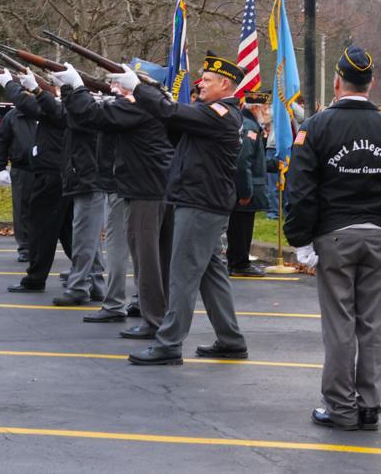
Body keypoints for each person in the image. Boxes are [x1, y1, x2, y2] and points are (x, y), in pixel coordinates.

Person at [284, 45, 381, 431]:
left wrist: (301, 238)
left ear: (336, 81)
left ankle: (341, 407)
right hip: (380, 235)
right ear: (372, 83)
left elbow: (301, 189)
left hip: (335, 235)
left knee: (340, 325)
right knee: (372, 325)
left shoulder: (316, 126)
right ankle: (368, 405)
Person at [107, 52, 250, 365]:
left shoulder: (219, 113)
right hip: (202, 200)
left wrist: (138, 87)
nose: (200, 84)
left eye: (208, 80)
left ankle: (169, 343)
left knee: (183, 274)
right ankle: (230, 339)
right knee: (211, 274)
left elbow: (170, 112)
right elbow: (169, 118)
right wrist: (143, 94)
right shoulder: (211, 113)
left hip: (200, 203)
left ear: (225, 84)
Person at [58, 64, 175, 334]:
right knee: (156, 259)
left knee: (147, 261)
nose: (113, 89)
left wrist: (75, 86)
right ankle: (157, 316)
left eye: (119, 85)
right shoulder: (152, 106)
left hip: (144, 190)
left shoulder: (137, 107)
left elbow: (92, 114)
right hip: (153, 188)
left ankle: (154, 320)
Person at [0, 70, 73, 294]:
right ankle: (87, 274)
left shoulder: (60, 109)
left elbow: (26, 104)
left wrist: (11, 83)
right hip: (58, 175)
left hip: (50, 176)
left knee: (41, 231)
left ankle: (35, 279)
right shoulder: (66, 107)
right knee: (67, 231)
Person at [49, 65, 107, 307]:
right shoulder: (85, 111)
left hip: (89, 180)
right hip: (83, 179)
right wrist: (65, 89)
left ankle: (78, 288)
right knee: (88, 238)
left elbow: (78, 115)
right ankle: (95, 285)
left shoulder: (94, 113)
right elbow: (65, 114)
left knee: (83, 239)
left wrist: (75, 87)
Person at [0, 73, 36, 263]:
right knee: (22, 209)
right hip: (22, 168)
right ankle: (25, 246)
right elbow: (1, 141)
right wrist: (1, 167)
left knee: (43, 209)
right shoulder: (12, 116)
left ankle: (41, 244)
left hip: (46, 169)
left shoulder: (43, 111)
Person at [227, 91, 271, 277]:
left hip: (248, 185)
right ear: (256, 107)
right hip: (246, 187)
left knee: (241, 225)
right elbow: (243, 160)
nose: (268, 111)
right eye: (266, 108)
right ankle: (240, 263)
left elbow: (254, 160)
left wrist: (274, 164)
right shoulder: (249, 127)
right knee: (241, 227)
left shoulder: (250, 124)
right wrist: (245, 192)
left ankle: (237, 260)